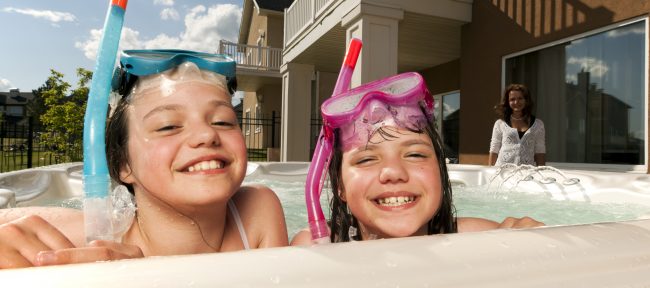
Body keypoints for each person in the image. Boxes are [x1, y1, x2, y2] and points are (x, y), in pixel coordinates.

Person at [0, 50, 288, 269]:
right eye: (168, 126)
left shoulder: (257, 212)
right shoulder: (90, 240)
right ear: (123, 164)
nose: (206, 134)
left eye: (224, 121)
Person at [291, 73, 542, 245]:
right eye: (366, 160)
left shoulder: (468, 238)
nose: (393, 171)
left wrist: (524, 231)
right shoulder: (319, 244)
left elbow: (513, 229)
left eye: (414, 154)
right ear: (340, 186)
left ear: (440, 171)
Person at [489, 83, 546, 166]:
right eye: (512, 99)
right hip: (502, 172)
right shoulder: (500, 123)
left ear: (526, 100)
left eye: (520, 98)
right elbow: (494, 149)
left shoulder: (538, 125)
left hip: (526, 174)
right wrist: (490, 171)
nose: (516, 102)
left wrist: (542, 173)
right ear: (507, 102)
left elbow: (540, 151)